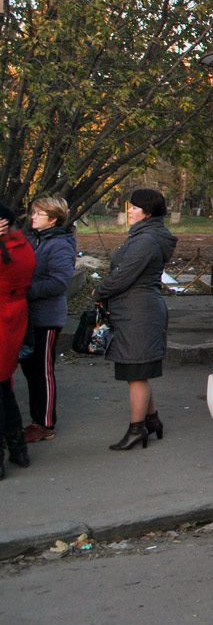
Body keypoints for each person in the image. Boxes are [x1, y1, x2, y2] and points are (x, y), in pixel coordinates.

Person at [93, 189, 177, 451]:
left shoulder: (146, 240)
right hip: (135, 310)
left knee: (136, 372)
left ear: (147, 212)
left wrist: (99, 291)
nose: (129, 211)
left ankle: (137, 429)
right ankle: (151, 421)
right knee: (137, 370)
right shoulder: (146, 235)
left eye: (134, 207)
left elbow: (123, 275)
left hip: (138, 312)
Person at [21, 196, 77, 443]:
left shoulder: (59, 245)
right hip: (29, 315)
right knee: (30, 369)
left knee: (42, 371)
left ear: (53, 219)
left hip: (46, 317)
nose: (33, 217)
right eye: (33, 213)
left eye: (38, 214)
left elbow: (59, 282)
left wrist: (24, 289)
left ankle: (44, 423)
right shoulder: (34, 239)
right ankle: (37, 420)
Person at [0, 201, 36, 478]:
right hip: (14, 318)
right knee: (4, 388)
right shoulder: (23, 245)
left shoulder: (8, 251)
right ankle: (18, 449)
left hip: (4, 316)